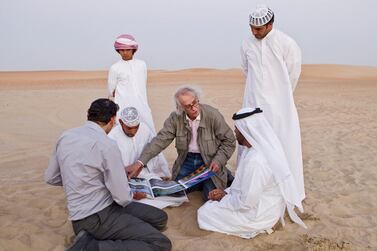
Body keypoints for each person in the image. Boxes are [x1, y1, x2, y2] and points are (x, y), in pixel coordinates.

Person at [44, 98, 171, 251]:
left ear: (88, 115)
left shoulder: (65, 136)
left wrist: (79, 181)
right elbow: (123, 197)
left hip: (93, 212)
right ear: (113, 119)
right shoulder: (107, 145)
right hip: (98, 217)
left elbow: (51, 177)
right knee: (161, 243)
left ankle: (92, 236)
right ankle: (92, 246)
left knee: (159, 218)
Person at [197, 107, 306, 239]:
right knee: (210, 206)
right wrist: (226, 192)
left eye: (237, 128)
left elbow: (247, 203)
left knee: (205, 213)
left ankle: (253, 228)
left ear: (246, 131)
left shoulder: (256, 161)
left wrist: (223, 198)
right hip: (263, 205)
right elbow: (244, 186)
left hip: (259, 214)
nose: (235, 131)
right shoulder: (253, 150)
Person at [241, 5, 305, 201]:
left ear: (269, 25)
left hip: (280, 108)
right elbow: (247, 70)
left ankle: (290, 195)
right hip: (253, 105)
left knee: (284, 145)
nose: (254, 31)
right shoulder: (246, 44)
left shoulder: (286, 43)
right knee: (253, 146)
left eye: (258, 29)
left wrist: (280, 98)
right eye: (251, 27)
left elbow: (293, 74)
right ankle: (254, 191)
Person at [127, 86, 236, 201]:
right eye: (188, 106)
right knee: (175, 191)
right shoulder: (175, 118)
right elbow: (160, 141)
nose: (194, 108)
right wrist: (140, 162)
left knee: (211, 197)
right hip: (187, 161)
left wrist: (218, 160)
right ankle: (201, 182)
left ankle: (223, 175)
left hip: (210, 161)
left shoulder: (212, 115)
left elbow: (229, 141)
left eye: (195, 102)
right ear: (180, 108)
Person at [108, 33, 155, 133]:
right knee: (122, 133)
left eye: (128, 50)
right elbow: (111, 91)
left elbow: (143, 83)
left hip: (142, 104)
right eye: (122, 50)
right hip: (123, 106)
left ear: (133, 50)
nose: (125, 52)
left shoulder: (142, 64)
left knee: (148, 131)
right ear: (118, 51)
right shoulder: (115, 68)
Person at [108, 106, 171, 179]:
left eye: (136, 127)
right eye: (129, 128)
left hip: (145, 172)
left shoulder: (145, 129)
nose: (133, 132)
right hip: (123, 175)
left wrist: (164, 172)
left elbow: (154, 150)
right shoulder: (112, 137)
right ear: (121, 122)